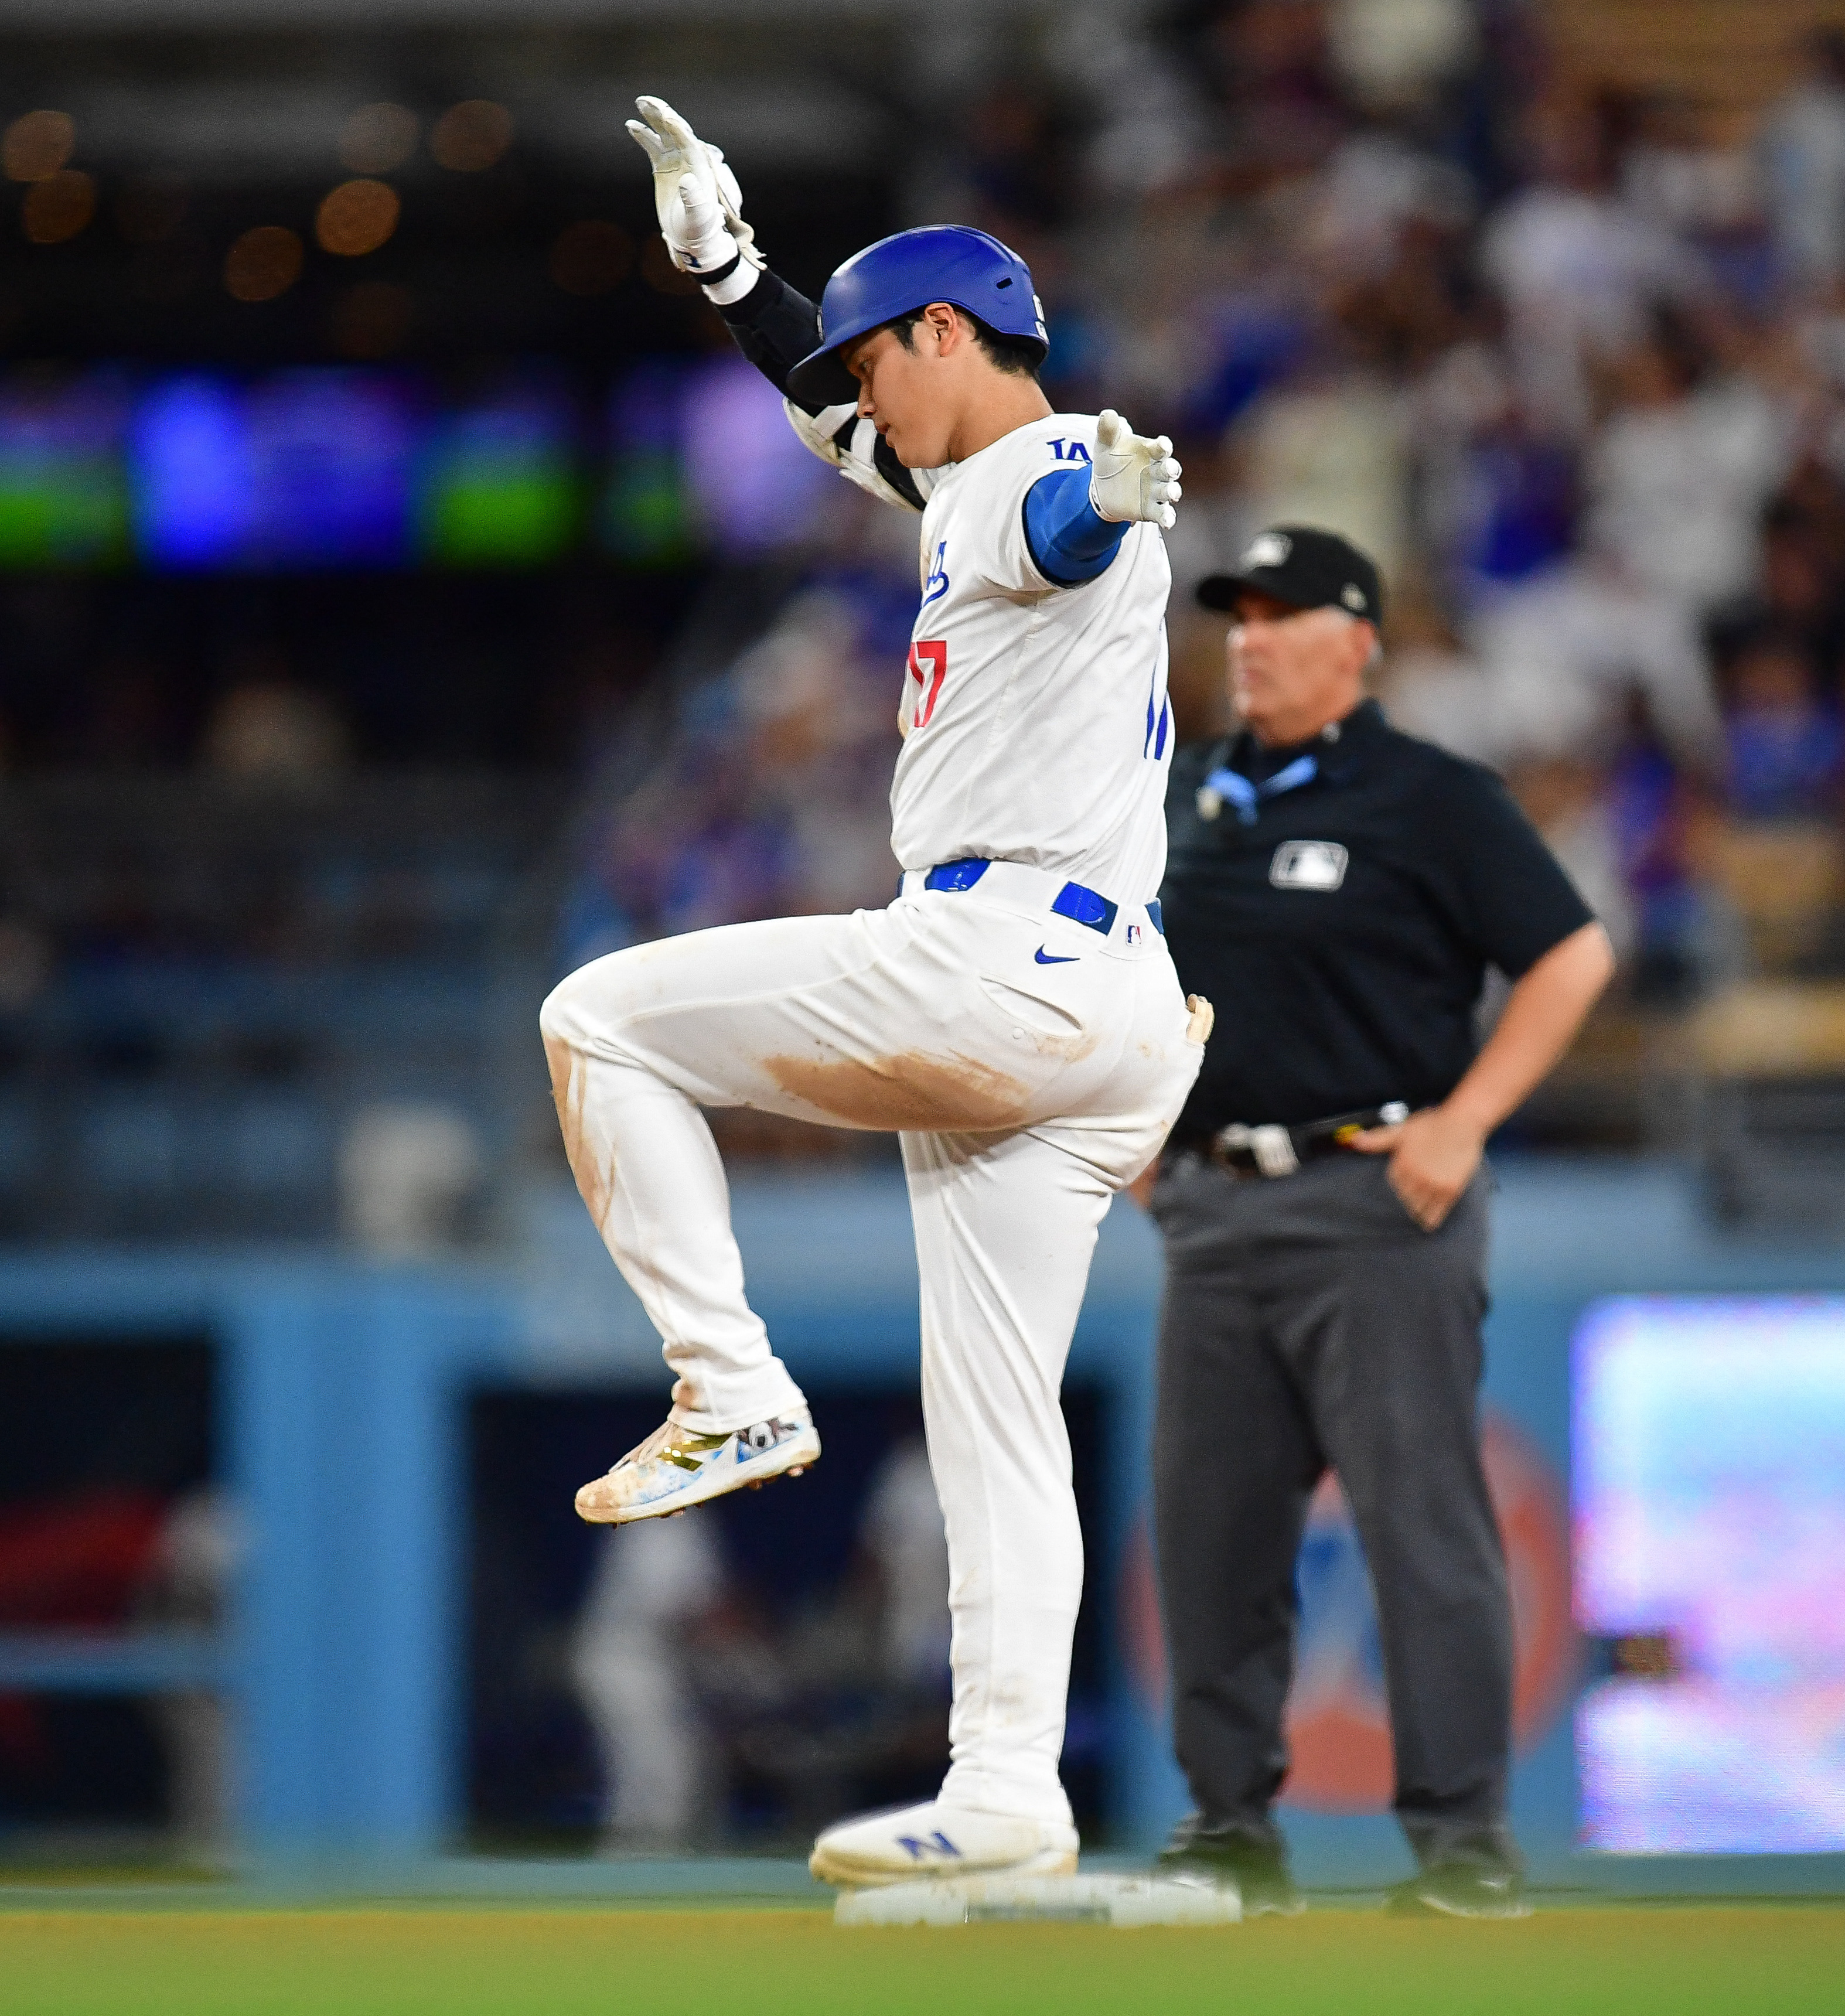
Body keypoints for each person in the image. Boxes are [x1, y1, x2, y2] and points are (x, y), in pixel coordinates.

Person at [540, 98, 1200, 1892]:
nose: (857, 393)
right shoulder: (961, 473)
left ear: (945, 335)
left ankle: (729, 1382)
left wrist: (1095, 497)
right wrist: (734, 273)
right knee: (995, 1416)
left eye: (872, 355)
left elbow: (1062, 517)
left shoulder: (1030, 474)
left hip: (994, 966)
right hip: (1113, 1007)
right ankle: (1007, 1793)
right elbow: (874, 433)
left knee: (597, 1021)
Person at [1140, 526, 1614, 1918]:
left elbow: (1570, 953)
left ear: (1358, 638)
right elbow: (1114, 972)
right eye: (1238, 615)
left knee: (1423, 1526)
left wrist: (1465, 1121)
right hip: (1213, 1203)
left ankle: (1463, 1846)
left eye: (1284, 615)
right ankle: (1229, 1830)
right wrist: (1129, 1124)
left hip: (1375, 1201)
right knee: (1209, 1535)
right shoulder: (1181, 801)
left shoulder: (1428, 795)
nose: (1251, 637)